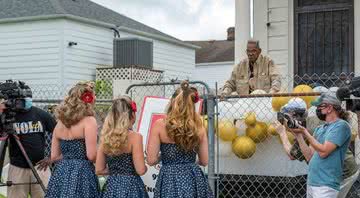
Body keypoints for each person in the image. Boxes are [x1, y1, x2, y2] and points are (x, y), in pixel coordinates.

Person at [274, 97, 359, 198]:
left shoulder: (309, 128)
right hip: (326, 174)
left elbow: (292, 155)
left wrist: (282, 133)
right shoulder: (313, 124)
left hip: (342, 173)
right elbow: (310, 155)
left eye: (287, 115)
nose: (286, 119)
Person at [146, 81, 214, 198]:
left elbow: (151, 160)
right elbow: (204, 161)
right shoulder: (199, 126)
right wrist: (188, 162)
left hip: (169, 179)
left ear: (172, 102)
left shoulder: (160, 125)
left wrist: (165, 156)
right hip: (193, 178)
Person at [0, 85, 56, 198]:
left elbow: (61, 135)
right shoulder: (9, 116)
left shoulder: (41, 114)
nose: (26, 102)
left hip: (40, 167)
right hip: (17, 167)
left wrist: (52, 157)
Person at [45, 81, 99, 198]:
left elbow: (54, 156)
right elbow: (91, 156)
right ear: (88, 99)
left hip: (61, 172)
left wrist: (70, 156)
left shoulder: (60, 123)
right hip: (82, 173)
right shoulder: (89, 121)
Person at [96, 96, 148, 198]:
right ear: (131, 115)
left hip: (111, 187)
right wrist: (145, 166)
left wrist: (117, 171)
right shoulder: (135, 137)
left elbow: (99, 169)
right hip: (131, 187)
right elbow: (140, 170)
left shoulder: (105, 137)